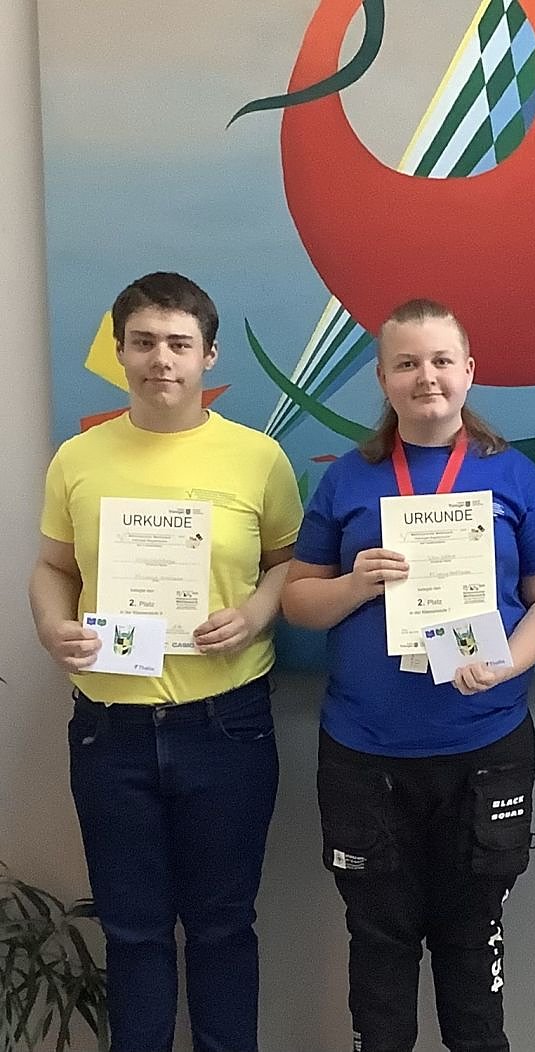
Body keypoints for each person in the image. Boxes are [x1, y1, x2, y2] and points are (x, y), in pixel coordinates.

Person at [282, 298, 535, 1052]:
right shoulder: (349, 479)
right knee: (378, 946)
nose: (426, 377)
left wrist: (507, 662)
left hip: (485, 747)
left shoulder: (511, 474)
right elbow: (298, 603)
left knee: (472, 944)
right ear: (383, 378)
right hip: (365, 755)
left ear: (469, 371)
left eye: (442, 360)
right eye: (407, 363)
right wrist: (354, 584)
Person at [29, 271, 303, 1052]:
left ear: (208, 355)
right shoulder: (78, 457)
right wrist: (52, 627)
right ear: (119, 352)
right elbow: (52, 567)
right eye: (144, 342)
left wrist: (254, 613)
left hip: (226, 725)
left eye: (179, 343)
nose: (161, 359)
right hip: (108, 731)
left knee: (223, 927)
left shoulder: (258, 458)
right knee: (132, 930)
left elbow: (289, 564)